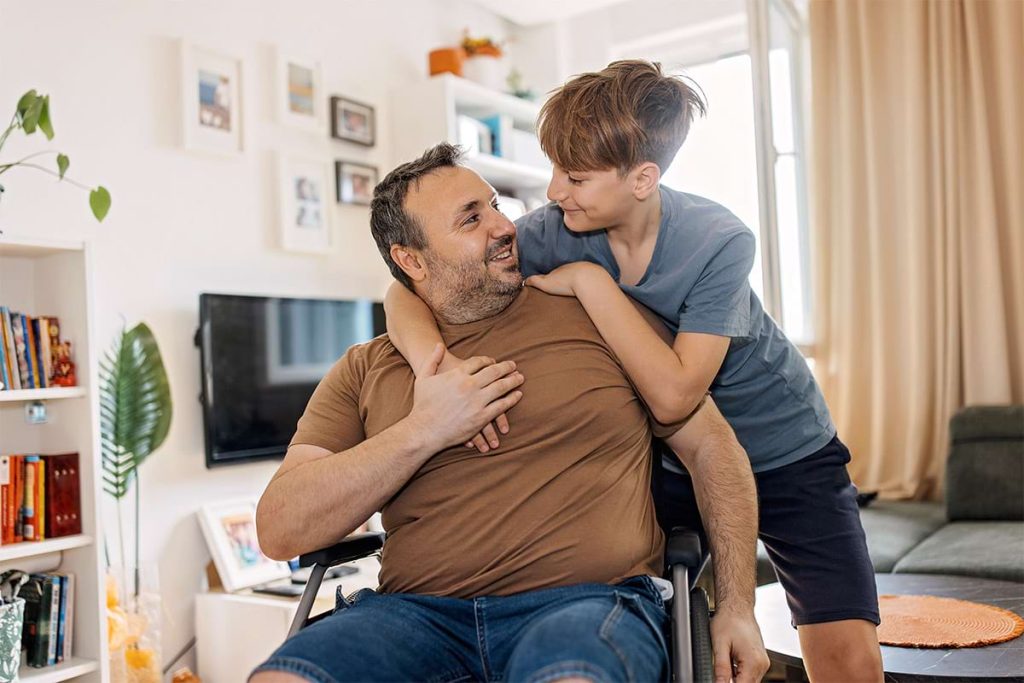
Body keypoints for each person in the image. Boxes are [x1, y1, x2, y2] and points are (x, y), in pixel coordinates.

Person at [384, 61, 884, 683]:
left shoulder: (718, 239)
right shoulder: (557, 230)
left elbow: (676, 394)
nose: (553, 191)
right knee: (649, 623)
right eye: (555, 169)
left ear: (642, 178)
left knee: (847, 662)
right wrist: (437, 366)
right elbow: (405, 289)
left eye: (575, 176)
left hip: (788, 451)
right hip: (674, 461)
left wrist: (592, 286)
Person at [250, 144, 769, 683]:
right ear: (411, 260)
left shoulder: (596, 318)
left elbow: (713, 448)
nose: (504, 226)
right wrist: (423, 432)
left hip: (584, 608)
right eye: (472, 219)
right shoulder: (367, 367)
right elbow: (281, 529)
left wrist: (737, 607)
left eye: (495, 206)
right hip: (412, 618)